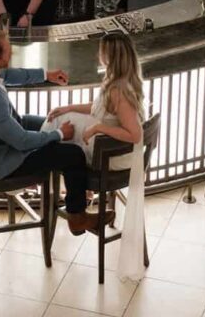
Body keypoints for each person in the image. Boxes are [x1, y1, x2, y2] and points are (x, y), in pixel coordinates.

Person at [0, 31, 114, 236]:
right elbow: (21, 141)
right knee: (73, 154)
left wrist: (46, 74)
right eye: (8, 51)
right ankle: (77, 217)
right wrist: (58, 134)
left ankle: (75, 188)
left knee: (54, 120)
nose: (12, 53)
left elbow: (7, 75)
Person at [42, 31, 147, 281]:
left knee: (64, 140)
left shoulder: (119, 91)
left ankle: (46, 175)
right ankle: (75, 197)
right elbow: (99, 108)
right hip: (110, 147)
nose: (98, 54)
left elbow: (134, 134)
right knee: (62, 121)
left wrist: (98, 127)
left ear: (108, 56)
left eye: (101, 51)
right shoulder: (119, 81)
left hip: (114, 156)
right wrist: (68, 106)